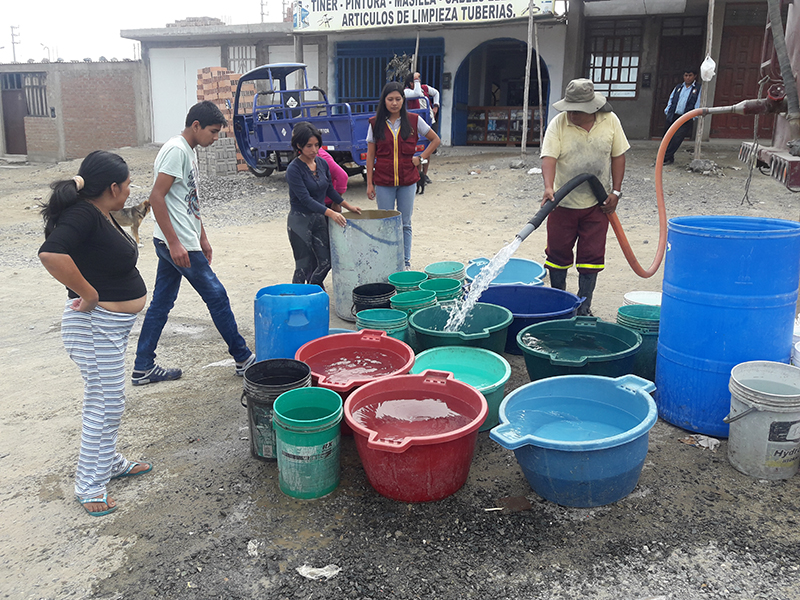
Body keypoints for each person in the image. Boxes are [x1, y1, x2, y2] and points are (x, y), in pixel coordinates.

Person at [38, 151, 152, 517]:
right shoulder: (84, 213)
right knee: (104, 405)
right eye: (129, 183)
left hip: (108, 327)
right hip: (92, 326)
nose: (132, 189)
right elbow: (51, 254)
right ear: (114, 187)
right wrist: (88, 294)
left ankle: (109, 464)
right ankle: (89, 485)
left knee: (110, 402)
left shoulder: (98, 212)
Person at [132, 101, 254, 385]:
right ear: (195, 126)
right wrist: (176, 243)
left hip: (184, 240)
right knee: (217, 296)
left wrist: (203, 236)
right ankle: (243, 357)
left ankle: (142, 366)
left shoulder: (189, 150)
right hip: (178, 244)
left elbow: (190, 201)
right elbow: (156, 197)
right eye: (212, 132)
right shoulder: (176, 150)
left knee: (162, 303)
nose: (215, 138)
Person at [540, 78, 630, 316]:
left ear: (592, 109)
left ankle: (583, 307)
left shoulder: (610, 121)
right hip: (562, 202)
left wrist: (616, 192)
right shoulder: (559, 124)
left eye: (576, 111)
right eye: (568, 109)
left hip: (598, 205)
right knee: (557, 255)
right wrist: (549, 187)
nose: (571, 114)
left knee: (591, 256)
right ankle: (559, 306)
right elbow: (548, 157)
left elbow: (618, 156)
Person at [366, 81, 441, 269]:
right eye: (390, 99)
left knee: (405, 223)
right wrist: (369, 184)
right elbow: (370, 155)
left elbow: (435, 140)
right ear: (384, 101)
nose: (394, 103)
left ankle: (405, 262)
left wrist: (421, 158)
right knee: (385, 223)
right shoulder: (375, 124)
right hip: (383, 182)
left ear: (403, 100)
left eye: (398, 99)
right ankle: (387, 261)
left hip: (408, 181)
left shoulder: (414, 121)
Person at [285, 121, 362, 287]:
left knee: (327, 262)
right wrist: (332, 213)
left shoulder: (322, 163)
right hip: (300, 222)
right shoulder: (294, 169)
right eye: (309, 146)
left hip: (319, 220)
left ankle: (313, 288)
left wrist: (348, 206)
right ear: (299, 145)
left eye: (317, 145)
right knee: (302, 267)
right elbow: (305, 200)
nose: (314, 150)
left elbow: (329, 190)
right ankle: (296, 301)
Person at [404, 72, 440, 184]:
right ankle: (418, 174)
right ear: (411, 82)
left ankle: (424, 174)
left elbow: (436, 93)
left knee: (428, 148)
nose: (418, 81)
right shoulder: (407, 91)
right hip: (416, 123)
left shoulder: (424, 88)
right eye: (416, 80)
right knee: (417, 149)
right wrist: (415, 81)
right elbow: (417, 94)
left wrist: (436, 106)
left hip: (429, 121)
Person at [662, 68, 701, 165]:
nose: (687, 78)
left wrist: (694, 116)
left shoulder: (697, 89)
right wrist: (667, 111)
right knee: (667, 137)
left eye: (690, 75)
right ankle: (668, 158)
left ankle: (665, 157)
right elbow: (671, 99)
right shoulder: (678, 87)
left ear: (694, 76)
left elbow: (698, 103)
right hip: (673, 116)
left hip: (686, 118)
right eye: (686, 75)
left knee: (677, 138)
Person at [318, 147, 348, 213]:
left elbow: (342, 176)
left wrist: (336, 202)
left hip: (326, 205)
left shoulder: (322, 157)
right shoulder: (296, 165)